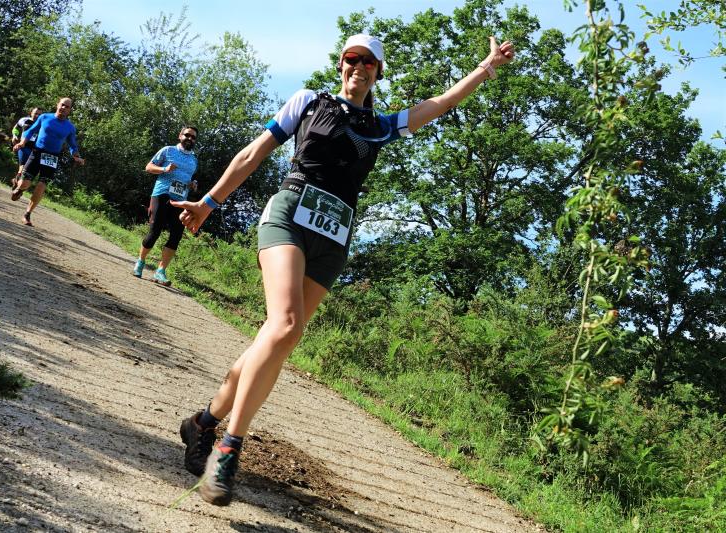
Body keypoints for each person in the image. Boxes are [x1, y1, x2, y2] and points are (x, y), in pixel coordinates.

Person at [171, 34, 515, 506]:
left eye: (369, 63)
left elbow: (438, 104)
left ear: (377, 72)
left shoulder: (380, 125)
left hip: (334, 237)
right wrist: (210, 202)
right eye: (352, 59)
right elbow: (254, 154)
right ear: (340, 64)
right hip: (289, 215)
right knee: (285, 324)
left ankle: (202, 423)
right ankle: (229, 450)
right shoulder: (309, 102)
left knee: (275, 341)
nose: (360, 67)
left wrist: (486, 68)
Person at [132, 127, 199, 285]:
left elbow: (190, 178)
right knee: (154, 231)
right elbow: (149, 167)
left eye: (193, 137)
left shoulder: (194, 160)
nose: (190, 138)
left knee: (175, 236)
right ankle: (140, 262)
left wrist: (193, 184)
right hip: (162, 195)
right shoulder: (168, 151)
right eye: (187, 135)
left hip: (181, 200)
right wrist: (164, 169)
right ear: (180, 136)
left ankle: (160, 272)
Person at [11, 97, 85, 226]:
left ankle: (27, 214)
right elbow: (31, 130)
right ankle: (20, 188)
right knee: (25, 183)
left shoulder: (70, 127)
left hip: (52, 158)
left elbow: (73, 145)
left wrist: (76, 156)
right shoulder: (44, 117)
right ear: (57, 105)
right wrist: (22, 143)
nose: (64, 108)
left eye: (67, 107)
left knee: (41, 185)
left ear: (69, 110)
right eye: (62, 105)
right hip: (37, 152)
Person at [11, 107, 42, 187]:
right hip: (23, 147)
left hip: (35, 150)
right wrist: (14, 136)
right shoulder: (24, 120)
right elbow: (16, 128)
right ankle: (18, 183)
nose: (37, 116)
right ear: (31, 113)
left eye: (39, 114)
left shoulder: (42, 125)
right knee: (22, 166)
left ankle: (18, 182)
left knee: (27, 170)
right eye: (36, 113)